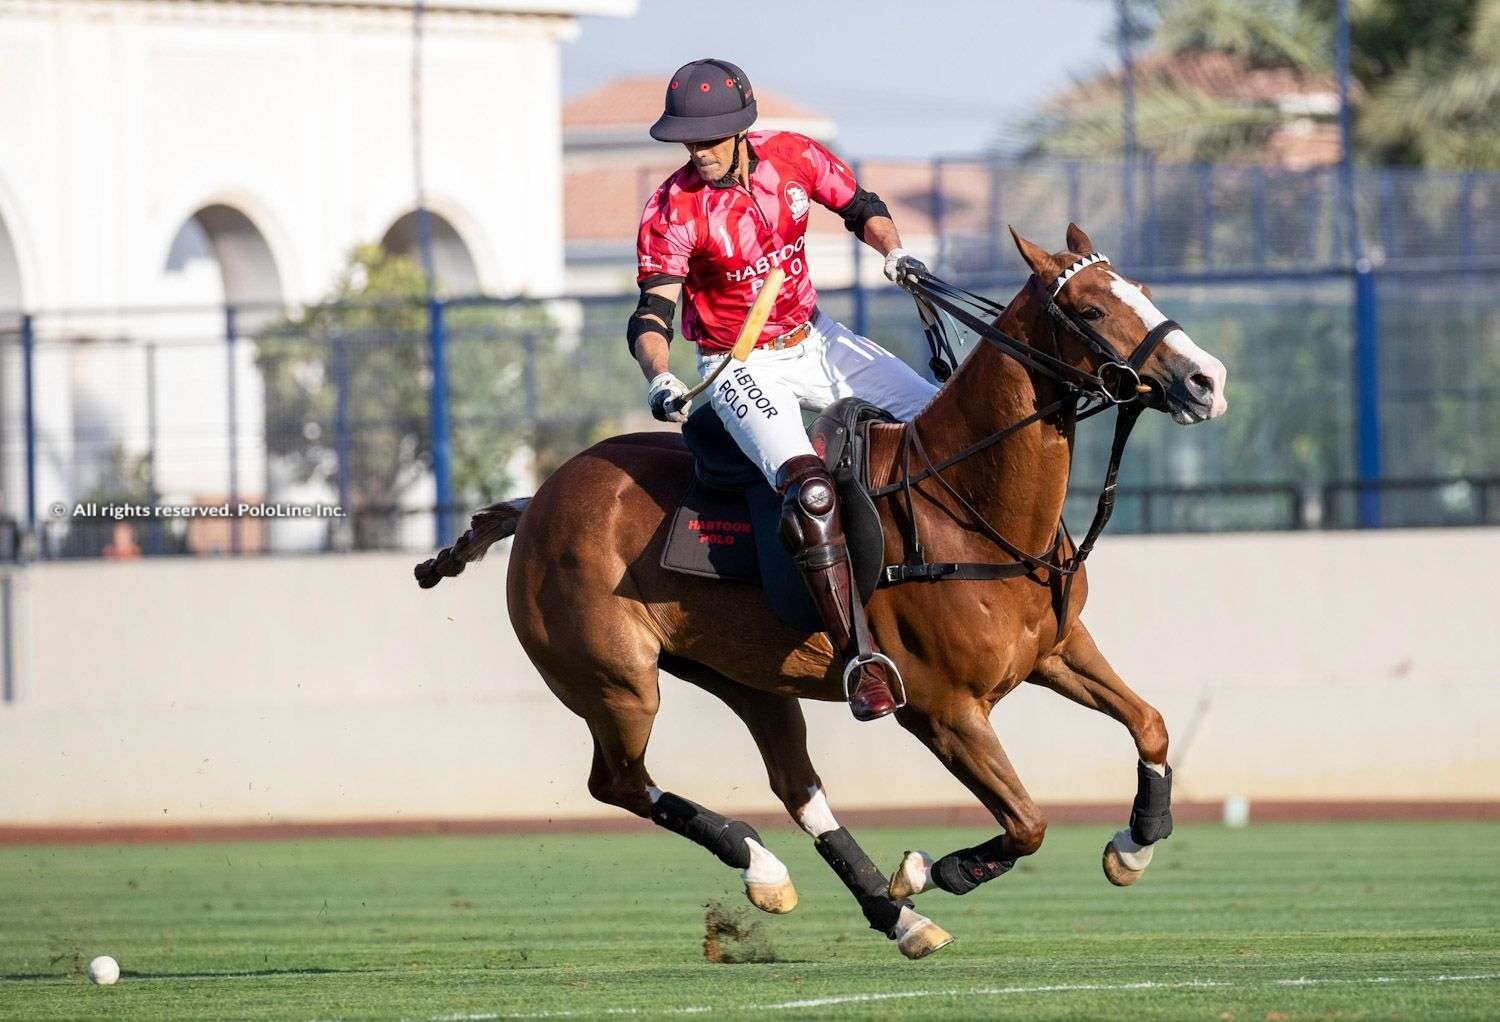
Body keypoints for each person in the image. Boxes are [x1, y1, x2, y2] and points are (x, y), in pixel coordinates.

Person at [628, 58, 937, 722]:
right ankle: (860, 658)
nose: (698, 152)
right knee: (811, 487)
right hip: (740, 364)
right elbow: (652, 313)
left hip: (817, 338)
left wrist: (896, 254)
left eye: (709, 139)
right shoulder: (674, 209)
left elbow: (862, 207)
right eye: (688, 140)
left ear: (741, 131)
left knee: (939, 426)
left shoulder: (793, 157)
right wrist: (660, 374)